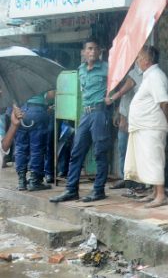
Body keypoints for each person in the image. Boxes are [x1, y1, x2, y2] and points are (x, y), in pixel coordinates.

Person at [50, 38, 113, 203]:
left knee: (100, 153)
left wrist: (113, 97)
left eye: (95, 49)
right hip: (85, 114)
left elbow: (124, 82)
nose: (92, 52)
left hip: (100, 113)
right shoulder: (81, 69)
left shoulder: (107, 68)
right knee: (76, 152)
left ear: (100, 52)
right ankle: (71, 190)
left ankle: (98, 190)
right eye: (89, 49)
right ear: (83, 52)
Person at [123, 46, 168, 208]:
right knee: (148, 159)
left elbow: (165, 101)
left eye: (139, 57)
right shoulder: (150, 75)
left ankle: (161, 195)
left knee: (154, 160)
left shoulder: (155, 76)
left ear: (147, 60)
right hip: (146, 126)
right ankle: (154, 192)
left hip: (152, 126)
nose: (138, 61)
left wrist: (166, 120)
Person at [14, 90, 54, 191]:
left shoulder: (15, 76)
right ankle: (34, 181)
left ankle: (21, 182)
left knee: (21, 148)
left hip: (21, 110)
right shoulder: (39, 75)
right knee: (37, 148)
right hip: (37, 110)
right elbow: (50, 95)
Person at [110, 66, 141, 190]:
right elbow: (124, 98)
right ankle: (126, 178)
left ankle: (137, 180)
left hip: (137, 119)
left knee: (136, 151)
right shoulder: (126, 73)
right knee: (123, 149)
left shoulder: (139, 75)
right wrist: (119, 114)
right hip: (125, 117)